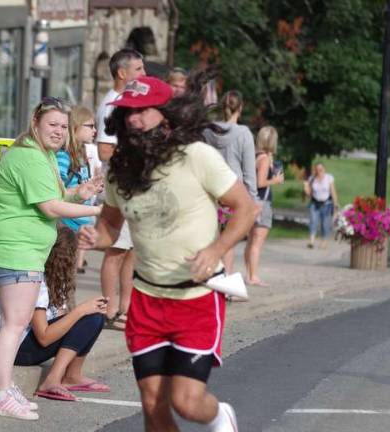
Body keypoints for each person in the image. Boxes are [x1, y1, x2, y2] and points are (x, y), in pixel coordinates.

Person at [78, 74, 255, 432]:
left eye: (144, 110)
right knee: (153, 406)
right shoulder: (120, 173)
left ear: (166, 114)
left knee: (186, 402)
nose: (134, 118)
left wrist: (217, 248)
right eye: (128, 111)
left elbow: (246, 208)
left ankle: (221, 416)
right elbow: (110, 228)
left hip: (197, 299)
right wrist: (92, 237)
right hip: (147, 300)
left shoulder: (196, 157)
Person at [0, 97, 101, 420]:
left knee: (14, 325)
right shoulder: (29, 157)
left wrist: (81, 192)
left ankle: (6, 389)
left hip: (25, 251)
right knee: (14, 326)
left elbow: (55, 196)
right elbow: (49, 207)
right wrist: (98, 209)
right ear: (35, 122)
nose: (59, 131)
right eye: (53, 125)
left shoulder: (43, 155)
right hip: (16, 250)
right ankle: (1, 394)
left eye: (64, 126)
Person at [0, 227, 109, 402]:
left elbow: (62, 320)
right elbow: (44, 337)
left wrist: (86, 312)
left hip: (31, 343)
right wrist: (81, 310)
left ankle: (72, 376)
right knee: (85, 315)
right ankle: (52, 380)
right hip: (16, 351)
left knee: (94, 317)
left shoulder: (56, 278)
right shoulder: (36, 281)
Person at [95, 48, 146, 329]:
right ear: (122, 73)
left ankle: (125, 309)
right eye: (138, 69)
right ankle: (108, 308)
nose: (144, 75)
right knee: (116, 250)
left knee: (130, 249)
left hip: (133, 185)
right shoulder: (113, 104)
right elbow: (104, 150)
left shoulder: (128, 102)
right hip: (120, 186)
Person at [203, 90, 258, 274]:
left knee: (209, 239)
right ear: (240, 108)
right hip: (233, 194)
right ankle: (225, 284)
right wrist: (253, 202)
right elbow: (249, 173)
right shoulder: (244, 134)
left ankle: (209, 279)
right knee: (228, 242)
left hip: (209, 192)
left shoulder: (208, 130)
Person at [57, 106, 102, 273]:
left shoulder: (81, 154)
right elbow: (57, 189)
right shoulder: (64, 156)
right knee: (62, 277)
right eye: (90, 126)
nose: (95, 130)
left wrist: (91, 187)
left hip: (77, 224)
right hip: (66, 226)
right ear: (75, 127)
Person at [244, 126, 284, 287]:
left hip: (251, 201)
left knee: (251, 241)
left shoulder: (256, 157)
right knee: (256, 242)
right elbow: (260, 183)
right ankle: (253, 276)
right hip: (262, 203)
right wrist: (276, 180)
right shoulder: (264, 160)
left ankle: (249, 273)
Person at [304, 162, 339, 249]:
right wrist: (306, 188)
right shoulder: (312, 179)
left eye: (320, 170)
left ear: (324, 170)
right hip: (315, 203)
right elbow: (309, 194)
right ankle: (311, 241)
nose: (319, 171)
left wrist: (335, 205)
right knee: (313, 221)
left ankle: (324, 241)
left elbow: (333, 192)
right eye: (317, 170)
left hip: (326, 204)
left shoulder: (329, 178)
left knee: (325, 224)